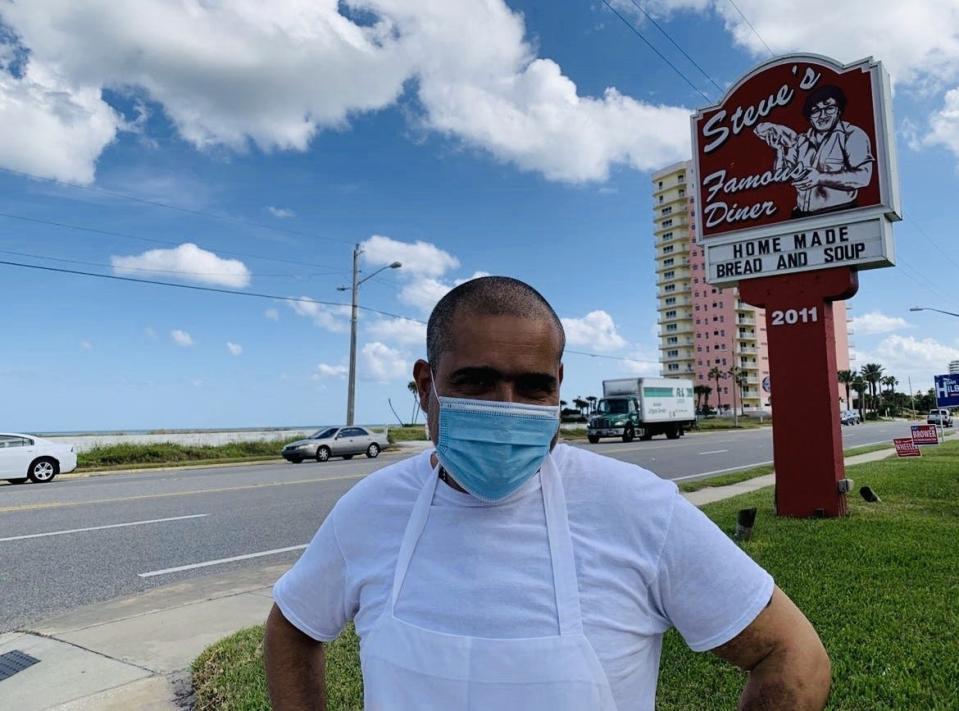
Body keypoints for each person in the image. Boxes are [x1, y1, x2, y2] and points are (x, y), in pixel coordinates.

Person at [264, 276, 831, 710]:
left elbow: (792, 654)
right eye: (477, 381)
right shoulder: (369, 509)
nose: (507, 408)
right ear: (425, 383)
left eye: (533, 387)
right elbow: (292, 625)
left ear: (559, 385)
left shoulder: (639, 508)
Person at [754, 84, 874, 217]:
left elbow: (864, 177)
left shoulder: (852, 135)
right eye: (815, 110)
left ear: (838, 110)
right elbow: (782, 176)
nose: (822, 115)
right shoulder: (800, 141)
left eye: (829, 108)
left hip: (840, 213)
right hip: (801, 215)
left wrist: (820, 178)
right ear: (809, 117)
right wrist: (779, 150)